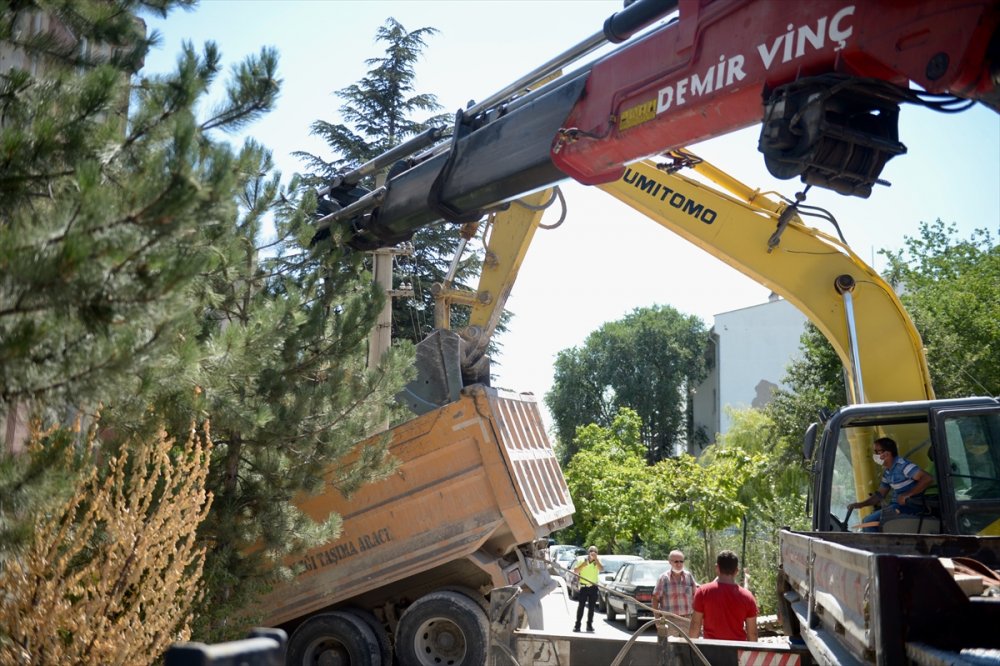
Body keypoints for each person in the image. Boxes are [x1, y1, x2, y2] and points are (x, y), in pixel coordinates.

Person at [849, 436, 933, 532]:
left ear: (887, 453)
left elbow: (927, 479)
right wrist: (861, 504)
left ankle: (876, 547)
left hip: (910, 507)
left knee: (868, 522)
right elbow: (880, 495)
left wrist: (907, 495)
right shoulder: (887, 472)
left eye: (877, 452)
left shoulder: (903, 466)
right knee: (867, 521)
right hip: (895, 506)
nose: (874, 455)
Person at [688, 550, 758, 641]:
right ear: (736, 571)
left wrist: (691, 651)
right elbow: (752, 633)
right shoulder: (748, 597)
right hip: (737, 650)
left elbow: (695, 626)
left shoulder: (703, 592)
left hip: (710, 650)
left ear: (717, 568)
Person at [652, 549, 697, 637]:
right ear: (670, 562)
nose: (679, 564)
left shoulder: (689, 577)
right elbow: (655, 599)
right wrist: (657, 620)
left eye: (681, 561)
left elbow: (696, 596)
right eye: (676, 561)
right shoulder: (663, 578)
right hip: (669, 620)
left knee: (688, 648)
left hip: (687, 620)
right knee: (670, 648)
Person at [571, 545, 603, 632]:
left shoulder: (597, 562)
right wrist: (583, 564)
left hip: (593, 587)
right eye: (592, 551)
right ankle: (577, 625)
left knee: (592, 608)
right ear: (588, 553)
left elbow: (601, 569)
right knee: (581, 607)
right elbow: (576, 571)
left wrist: (596, 559)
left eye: (595, 552)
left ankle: (589, 625)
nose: (593, 553)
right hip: (584, 587)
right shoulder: (582, 561)